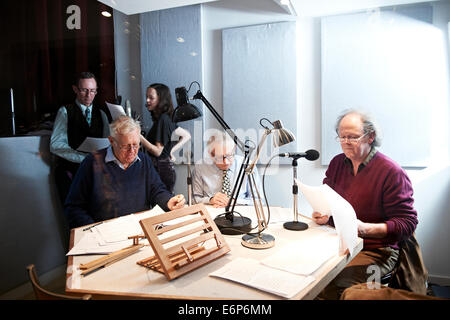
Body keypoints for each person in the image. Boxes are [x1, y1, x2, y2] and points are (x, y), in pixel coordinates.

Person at [314, 109, 418, 299]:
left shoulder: (391, 172)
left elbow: (408, 224)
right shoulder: (337, 163)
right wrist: (324, 214)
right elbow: (328, 197)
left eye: (352, 137)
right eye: (341, 136)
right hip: (341, 241)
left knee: (335, 286)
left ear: (370, 137)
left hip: (378, 250)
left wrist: (365, 229)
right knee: (311, 278)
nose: (345, 142)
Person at [64, 115, 185, 229]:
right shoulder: (92, 163)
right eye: (126, 146)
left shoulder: (143, 161)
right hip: (105, 234)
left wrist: (168, 201)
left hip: (139, 231)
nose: (132, 151)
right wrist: (93, 229)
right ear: (111, 141)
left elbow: (157, 191)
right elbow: (73, 207)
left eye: (136, 145)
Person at [50, 72, 110, 206]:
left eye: (93, 91)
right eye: (84, 90)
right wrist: (82, 158)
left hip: (95, 174)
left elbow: (107, 143)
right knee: (74, 215)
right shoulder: (65, 111)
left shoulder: (101, 114)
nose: (89, 95)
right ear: (75, 89)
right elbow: (56, 145)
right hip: (70, 173)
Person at [140, 83, 191, 193]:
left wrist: (139, 137)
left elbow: (158, 152)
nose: (147, 100)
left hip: (161, 169)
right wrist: (171, 151)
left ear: (161, 99)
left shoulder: (164, 119)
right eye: (146, 97)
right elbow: (187, 135)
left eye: (151, 98)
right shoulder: (165, 119)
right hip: (163, 168)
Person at [192, 130, 263, 208]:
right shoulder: (200, 166)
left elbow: (259, 201)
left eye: (229, 155)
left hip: (240, 212)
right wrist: (210, 200)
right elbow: (193, 200)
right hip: (211, 211)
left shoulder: (247, 165)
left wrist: (233, 201)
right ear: (210, 154)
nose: (226, 162)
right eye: (220, 157)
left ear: (234, 149)